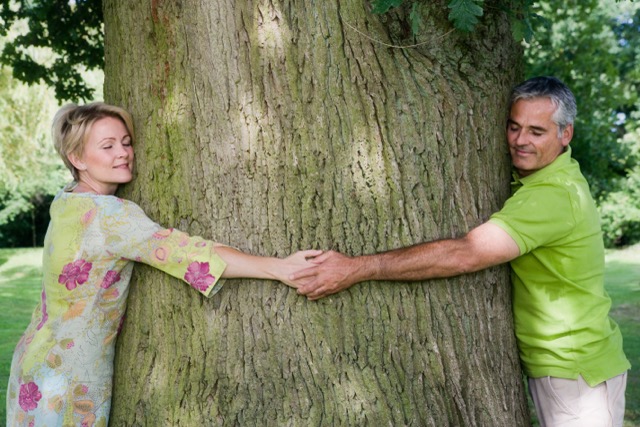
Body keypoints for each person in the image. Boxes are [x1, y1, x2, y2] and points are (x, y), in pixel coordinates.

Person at [293, 76, 630, 426]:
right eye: (514, 127)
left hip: (577, 372)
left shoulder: (553, 195)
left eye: (536, 132)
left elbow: (465, 253)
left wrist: (358, 268)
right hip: (566, 366)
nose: (519, 141)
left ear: (566, 134)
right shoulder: (545, 180)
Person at [6, 102, 321, 426]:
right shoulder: (110, 215)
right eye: (108, 146)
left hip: (32, 366)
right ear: (77, 159)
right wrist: (278, 268)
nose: (123, 153)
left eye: (126, 142)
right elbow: (185, 253)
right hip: (68, 382)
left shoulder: (66, 200)